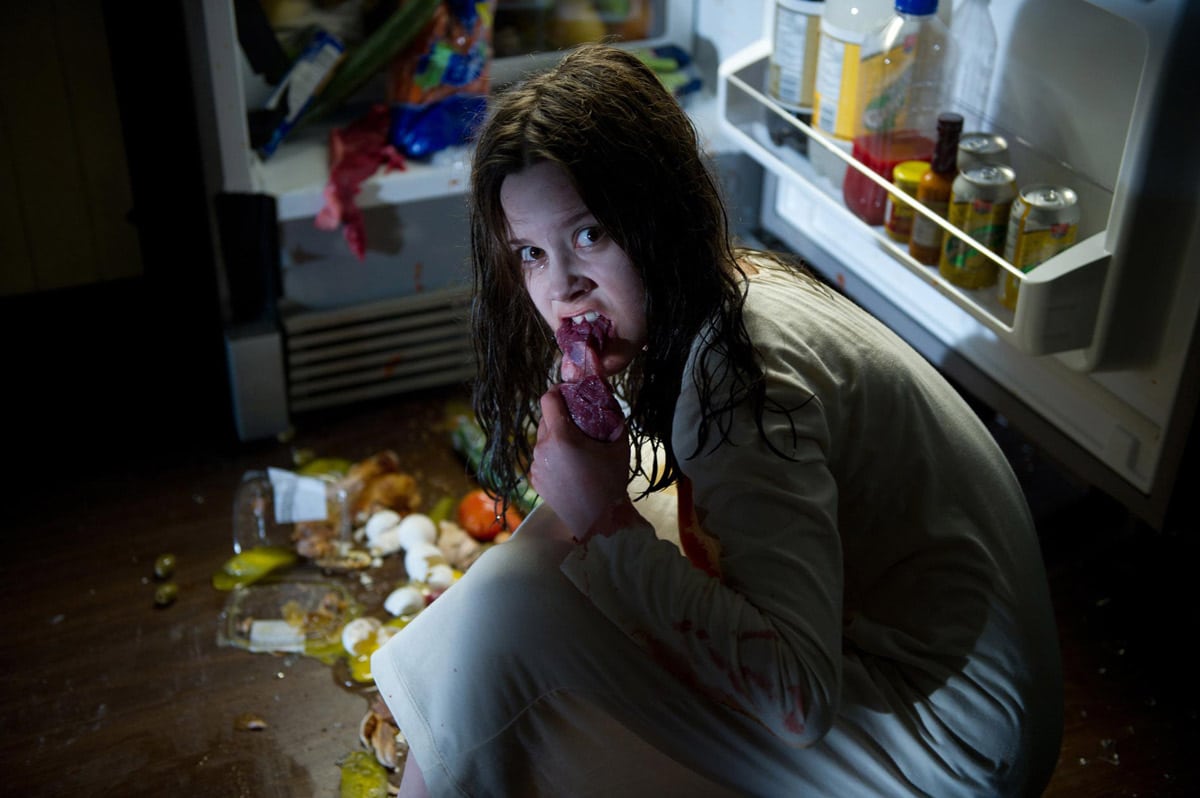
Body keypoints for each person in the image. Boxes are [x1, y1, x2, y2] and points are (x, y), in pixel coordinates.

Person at [372, 43, 1063, 797]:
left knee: (517, 602)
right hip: (926, 674)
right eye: (532, 253)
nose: (562, 288)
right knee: (542, 561)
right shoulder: (730, 279)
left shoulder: (736, 373)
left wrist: (605, 519)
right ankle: (445, 728)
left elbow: (800, 700)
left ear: (659, 216)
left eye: (590, 234)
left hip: (953, 748)